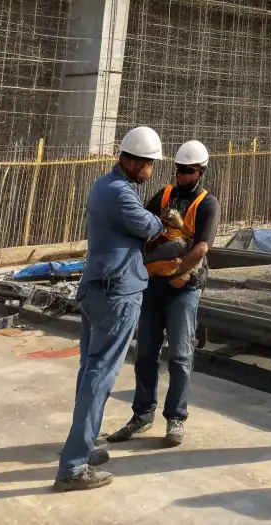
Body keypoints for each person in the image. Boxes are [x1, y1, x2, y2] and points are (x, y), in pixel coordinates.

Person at [53, 127, 168, 492]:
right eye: (150, 163)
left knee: (90, 370)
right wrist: (163, 222)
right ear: (135, 161)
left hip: (97, 287)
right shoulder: (121, 194)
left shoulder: (107, 185)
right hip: (117, 291)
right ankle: (73, 467)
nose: (153, 170)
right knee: (99, 375)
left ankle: (82, 448)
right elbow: (149, 226)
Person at [104, 139, 219, 449]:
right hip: (153, 285)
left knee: (181, 355)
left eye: (188, 171)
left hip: (183, 290)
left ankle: (176, 417)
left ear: (201, 172)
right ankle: (142, 415)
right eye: (179, 169)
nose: (181, 175)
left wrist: (183, 272)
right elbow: (142, 229)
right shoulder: (164, 195)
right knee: (145, 353)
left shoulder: (207, 203)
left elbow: (202, 247)